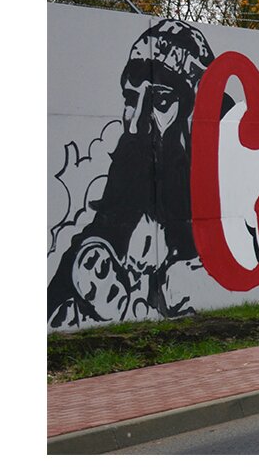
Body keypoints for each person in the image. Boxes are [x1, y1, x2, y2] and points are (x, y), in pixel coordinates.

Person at [48, 19, 214, 329]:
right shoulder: (93, 249)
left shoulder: (225, 243)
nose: (136, 123)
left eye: (160, 101)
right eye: (129, 98)